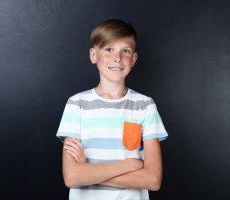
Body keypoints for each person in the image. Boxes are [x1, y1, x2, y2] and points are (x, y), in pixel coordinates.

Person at [56, 19, 169, 200]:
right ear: (94, 55)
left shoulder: (145, 105)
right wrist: (131, 164)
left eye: (125, 51)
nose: (117, 57)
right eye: (109, 49)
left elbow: (153, 180)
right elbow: (72, 177)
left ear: (134, 59)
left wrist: (89, 172)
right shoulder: (76, 104)